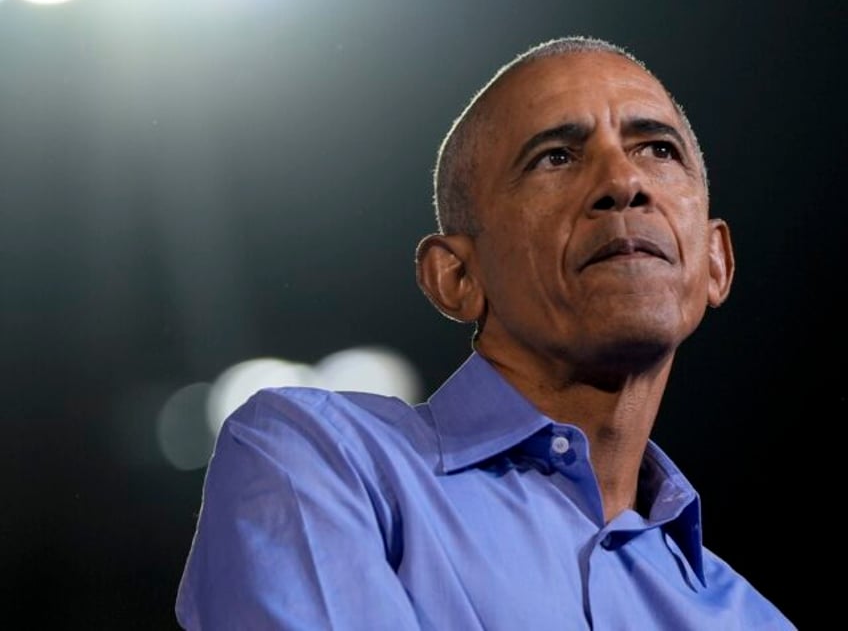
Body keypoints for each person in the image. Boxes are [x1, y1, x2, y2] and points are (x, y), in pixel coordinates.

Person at [175, 36, 796, 630]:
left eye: (658, 150)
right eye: (556, 156)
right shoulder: (320, 461)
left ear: (715, 262)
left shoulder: (751, 619)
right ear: (457, 275)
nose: (623, 184)